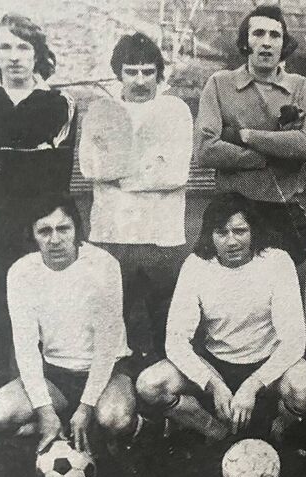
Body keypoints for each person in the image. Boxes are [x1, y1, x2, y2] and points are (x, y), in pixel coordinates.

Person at [136, 193, 306, 446]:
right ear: (210, 235)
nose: (232, 241)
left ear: (253, 231)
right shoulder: (196, 265)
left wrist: (254, 384)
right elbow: (176, 340)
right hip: (217, 365)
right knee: (150, 384)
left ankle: (276, 430)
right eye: (222, 232)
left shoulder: (277, 261)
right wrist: (212, 383)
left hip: (267, 365)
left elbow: (294, 341)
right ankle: (214, 431)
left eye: (240, 231)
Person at [0, 195, 135, 455]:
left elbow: (108, 345)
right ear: (33, 236)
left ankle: (138, 426)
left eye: (63, 228)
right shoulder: (21, 272)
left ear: (76, 230)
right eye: (44, 231)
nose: (55, 240)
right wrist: (44, 410)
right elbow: (26, 347)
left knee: (115, 419)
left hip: (108, 372)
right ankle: (61, 425)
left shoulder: (103, 265)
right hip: (55, 375)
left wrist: (86, 406)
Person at [79, 32, 192, 360]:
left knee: (165, 323)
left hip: (162, 238)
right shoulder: (101, 111)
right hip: (112, 235)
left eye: (148, 71)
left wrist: (120, 176)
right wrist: (149, 166)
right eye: (132, 71)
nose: (140, 80)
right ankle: (119, 392)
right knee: (115, 321)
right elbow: (91, 168)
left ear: (159, 73)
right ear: (119, 74)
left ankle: (164, 391)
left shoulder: (175, 111)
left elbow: (175, 173)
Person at [0, 13, 76, 387]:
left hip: (37, 228)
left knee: (40, 315)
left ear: (38, 54)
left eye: (24, 47)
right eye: (5, 46)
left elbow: (55, 173)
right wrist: (26, 155)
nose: (14, 56)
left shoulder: (59, 103)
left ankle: (41, 403)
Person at [195, 5, 306, 266]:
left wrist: (246, 135)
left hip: (282, 210)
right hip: (232, 212)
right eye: (258, 34)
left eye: (275, 36)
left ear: (283, 43)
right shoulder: (219, 84)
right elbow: (206, 149)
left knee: (285, 293)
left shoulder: (299, 86)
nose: (266, 43)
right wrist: (265, 158)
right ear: (245, 42)